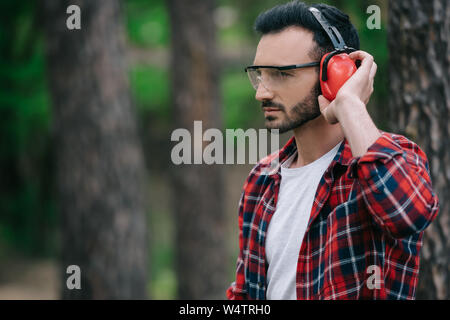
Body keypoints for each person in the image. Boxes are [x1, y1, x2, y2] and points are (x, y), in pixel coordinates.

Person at [226, 1, 439, 300]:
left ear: (336, 74)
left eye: (281, 74)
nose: (261, 92)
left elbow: (408, 214)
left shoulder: (395, 158)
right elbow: (246, 294)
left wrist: (349, 102)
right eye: (260, 74)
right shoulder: (261, 180)